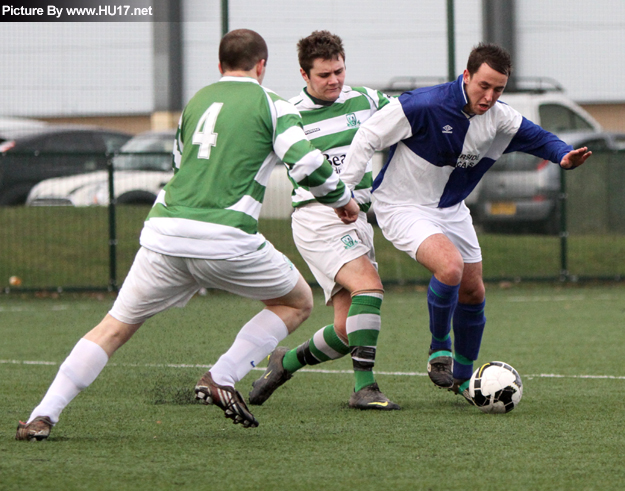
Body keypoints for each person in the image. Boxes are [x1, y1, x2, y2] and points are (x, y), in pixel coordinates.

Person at [15, 28, 360, 441]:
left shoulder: (195, 102)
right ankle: (222, 375)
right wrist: (343, 200)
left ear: (219, 66)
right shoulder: (274, 105)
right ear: (262, 66)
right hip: (225, 239)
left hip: (164, 234)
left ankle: (42, 416)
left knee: (113, 327)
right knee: (297, 301)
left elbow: (181, 164)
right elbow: (307, 165)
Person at [339, 43, 592, 401]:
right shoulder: (424, 104)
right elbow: (367, 135)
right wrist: (348, 190)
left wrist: (563, 155)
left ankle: (462, 378)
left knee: (473, 290)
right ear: (467, 75)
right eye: (483, 86)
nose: (489, 96)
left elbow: (540, 138)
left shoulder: (500, 118)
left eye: (499, 89)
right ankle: (438, 350)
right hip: (402, 205)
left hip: (451, 209)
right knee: (450, 267)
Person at [249, 30, 399, 410]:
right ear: (304, 75)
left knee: (348, 330)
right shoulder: (290, 114)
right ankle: (364, 388)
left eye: (339, 71)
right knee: (369, 287)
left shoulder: (367, 100)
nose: (334, 80)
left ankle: (284, 363)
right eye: (324, 75)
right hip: (318, 217)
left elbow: (407, 117)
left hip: (358, 217)